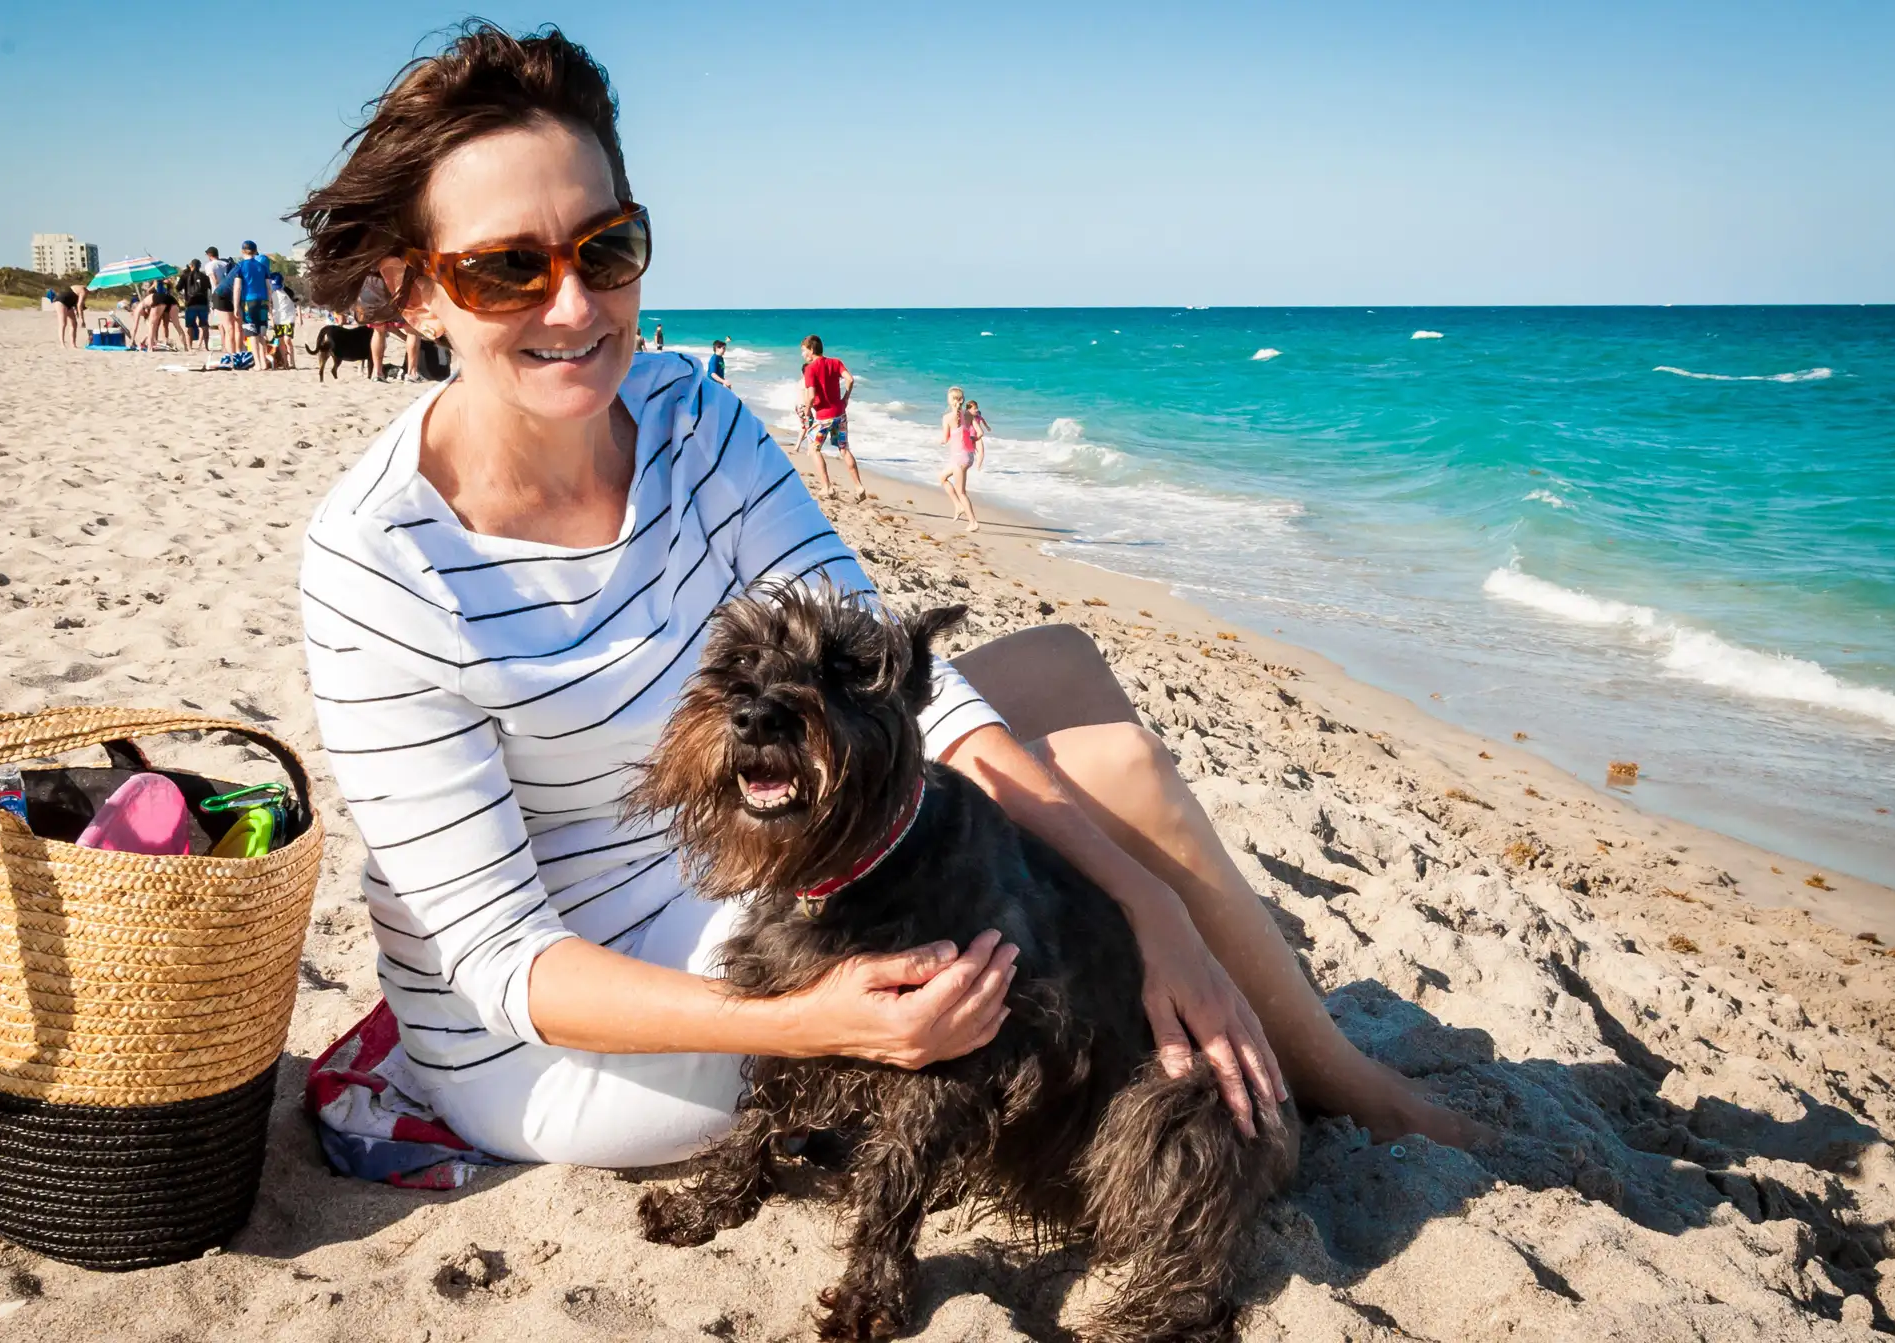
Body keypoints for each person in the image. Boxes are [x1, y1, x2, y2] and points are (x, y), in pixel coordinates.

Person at [292, 23, 1481, 1174]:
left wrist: (1154, 901)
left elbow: (908, 680)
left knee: (1063, 665)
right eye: (508, 268)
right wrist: (824, 1021)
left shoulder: (682, 414)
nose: (572, 306)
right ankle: (1338, 1083)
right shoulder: (381, 560)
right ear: (410, 294)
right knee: (1114, 772)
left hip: (728, 815)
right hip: (570, 1028)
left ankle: (1203, 983)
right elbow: (504, 962)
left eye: (603, 249)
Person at [799, 334, 867, 501]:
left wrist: (807, 412)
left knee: (814, 449)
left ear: (811, 350)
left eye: (803, 351)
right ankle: (859, 487)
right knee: (844, 449)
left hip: (823, 417)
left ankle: (827, 487)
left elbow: (811, 396)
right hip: (840, 414)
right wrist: (846, 398)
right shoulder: (835, 362)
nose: (802, 354)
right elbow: (850, 379)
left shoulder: (810, 369)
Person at [939, 385, 983, 532]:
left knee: (961, 491)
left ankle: (973, 522)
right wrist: (971, 440)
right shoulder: (970, 415)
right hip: (968, 456)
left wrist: (941, 441)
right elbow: (980, 433)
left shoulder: (947, 418)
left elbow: (945, 439)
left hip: (959, 459)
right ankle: (958, 506)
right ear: (962, 400)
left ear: (950, 400)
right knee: (942, 477)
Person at [228, 240, 274, 371]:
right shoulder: (262, 266)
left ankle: (258, 364)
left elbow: (237, 288)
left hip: (249, 301)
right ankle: (264, 361)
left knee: (251, 332)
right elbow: (269, 287)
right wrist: (269, 303)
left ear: (242, 251)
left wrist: (236, 306)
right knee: (261, 332)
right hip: (263, 301)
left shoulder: (241, 266)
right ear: (255, 251)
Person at [177, 260, 212, 350]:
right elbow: (209, 289)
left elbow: (178, 288)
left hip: (190, 303)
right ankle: (206, 347)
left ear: (191, 266)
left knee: (190, 326)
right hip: (203, 303)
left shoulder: (185, 276)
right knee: (204, 325)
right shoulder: (205, 277)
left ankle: (190, 346)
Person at [204, 247, 235, 353]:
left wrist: (218, 290)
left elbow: (214, 279)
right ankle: (229, 344)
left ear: (209, 255)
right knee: (230, 321)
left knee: (221, 322)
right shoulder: (225, 264)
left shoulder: (210, 265)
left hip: (218, 294)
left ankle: (224, 345)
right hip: (230, 293)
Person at [269, 272, 300, 368]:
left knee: (287, 340)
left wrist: (300, 317)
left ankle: (292, 362)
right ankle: (285, 361)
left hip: (289, 318)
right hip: (277, 319)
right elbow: (269, 306)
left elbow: (297, 302)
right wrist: (271, 320)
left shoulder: (288, 291)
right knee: (280, 340)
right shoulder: (270, 292)